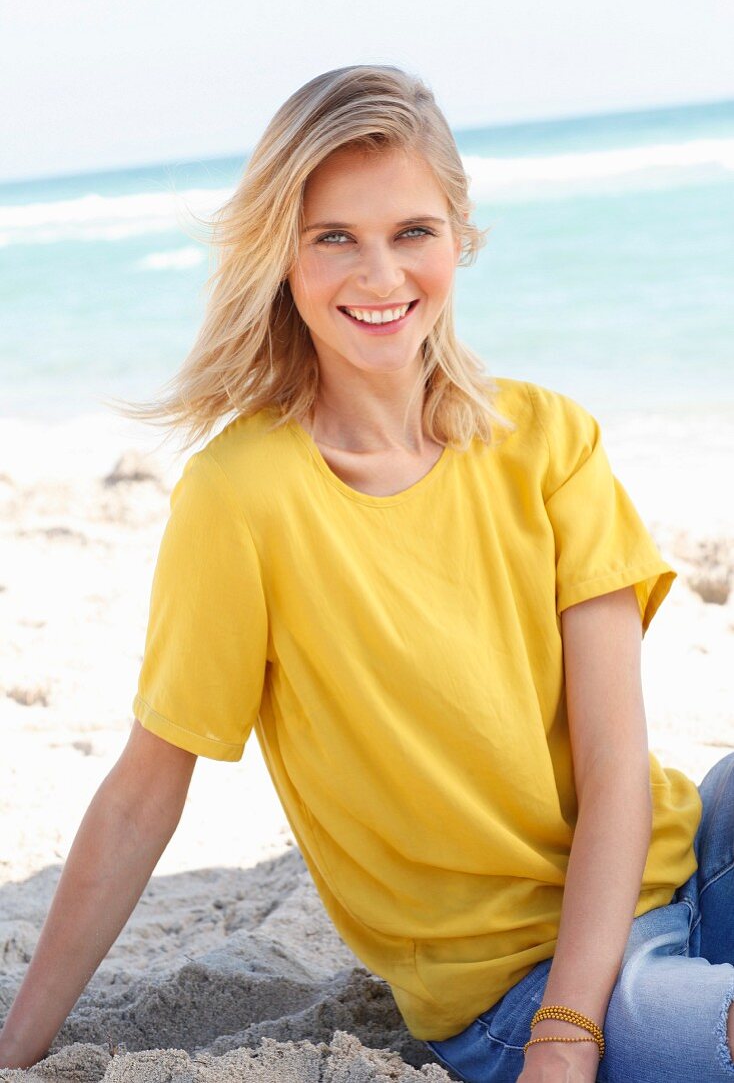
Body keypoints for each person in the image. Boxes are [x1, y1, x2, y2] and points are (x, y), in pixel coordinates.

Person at [0, 64, 731, 1083]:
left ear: (458, 238)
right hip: (517, 981)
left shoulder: (548, 439)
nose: (379, 275)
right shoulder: (239, 496)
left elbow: (615, 765)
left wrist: (568, 1028)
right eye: (333, 236)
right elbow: (140, 797)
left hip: (685, 860)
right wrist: (15, 1044)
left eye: (412, 233)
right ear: (281, 259)